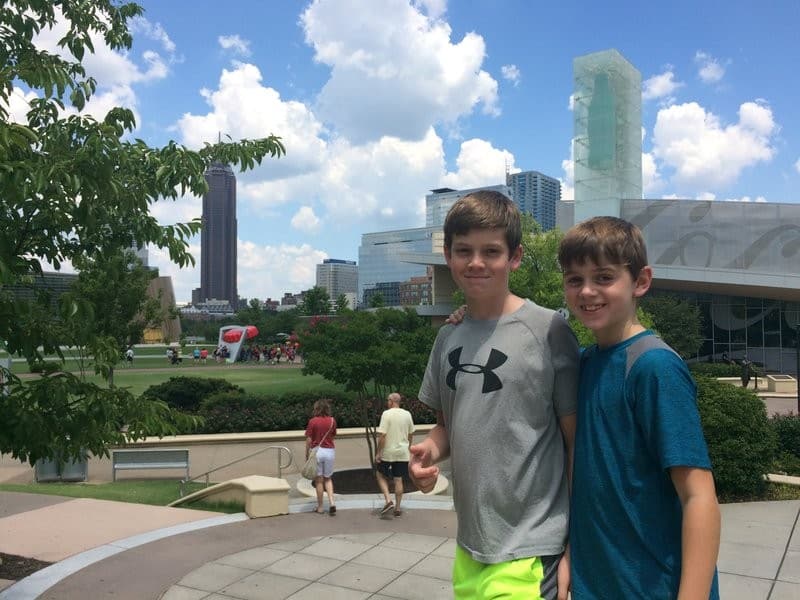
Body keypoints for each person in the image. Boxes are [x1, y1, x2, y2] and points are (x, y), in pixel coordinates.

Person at [410, 190, 580, 599]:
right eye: (464, 250)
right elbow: (449, 427)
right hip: (470, 548)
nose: (476, 262)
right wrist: (428, 454)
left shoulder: (549, 331)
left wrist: (575, 546)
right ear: (448, 256)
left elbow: (576, 445)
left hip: (532, 550)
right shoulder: (448, 337)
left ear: (515, 257)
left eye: (491, 251)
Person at [557, 216, 720, 599]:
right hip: (595, 583)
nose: (587, 291)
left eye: (603, 277)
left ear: (641, 281)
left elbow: (699, 497)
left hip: (654, 588)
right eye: (574, 279)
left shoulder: (654, 367)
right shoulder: (584, 363)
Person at [375, 392, 415, 517]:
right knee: (398, 479)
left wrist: (378, 452)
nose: (387, 402)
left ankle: (388, 500)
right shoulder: (407, 414)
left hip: (388, 452)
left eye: (388, 400)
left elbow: (382, 435)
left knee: (380, 474)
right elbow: (410, 434)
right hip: (402, 452)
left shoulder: (386, 414)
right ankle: (397, 508)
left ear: (392, 401)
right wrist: (407, 447)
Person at [305, 398, 337, 515]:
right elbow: (333, 436)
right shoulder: (333, 421)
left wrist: (307, 454)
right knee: (328, 478)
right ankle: (332, 502)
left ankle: (320, 507)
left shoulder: (312, 421)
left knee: (319, 481)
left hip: (317, 452)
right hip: (329, 451)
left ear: (317, 408)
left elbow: (309, 440)